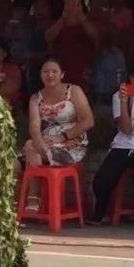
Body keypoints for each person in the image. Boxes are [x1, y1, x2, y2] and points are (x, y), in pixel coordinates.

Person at [21, 57, 94, 211]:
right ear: (40, 75)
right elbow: (34, 125)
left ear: (62, 74)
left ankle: (33, 198)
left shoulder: (73, 91)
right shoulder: (36, 98)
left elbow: (88, 121)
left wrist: (62, 137)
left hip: (72, 142)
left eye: (54, 71)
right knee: (30, 146)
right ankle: (33, 202)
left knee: (30, 148)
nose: (50, 75)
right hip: (46, 141)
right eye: (46, 72)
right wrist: (38, 141)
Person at [89, 59, 134, 223]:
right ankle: (100, 212)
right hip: (123, 144)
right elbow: (126, 130)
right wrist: (123, 101)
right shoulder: (119, 96)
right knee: (102, 180)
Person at [46, 0, 98, 91]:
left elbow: (95, 36)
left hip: (83, 70)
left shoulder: (89, 21)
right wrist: (64, 15)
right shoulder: (57, 22)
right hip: (61, 71)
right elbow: (48, 37)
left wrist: (80, 15)